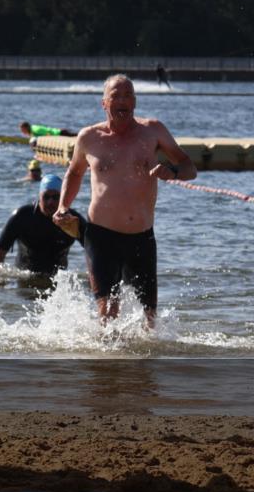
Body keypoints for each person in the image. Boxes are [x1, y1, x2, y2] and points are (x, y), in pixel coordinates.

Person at [53, 74, 196, 327]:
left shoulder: (153, 131)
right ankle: (108, 365)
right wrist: (63, 205)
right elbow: (74, 173)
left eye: (128, 95)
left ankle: (140, 365)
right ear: (104, 103)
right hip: (100, 236)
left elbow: (189, 167)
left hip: (141, 236)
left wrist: (171, 172)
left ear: (135, 102)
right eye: (116, 96)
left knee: (149, 318)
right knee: (108, 311)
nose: (123, 100)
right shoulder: (89, 137)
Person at [0, 174, 85, 278]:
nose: (50, 202)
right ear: (39, 197)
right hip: (25, 279)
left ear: (63, 198)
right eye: (46, 197)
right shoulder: (22, 216)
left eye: (55, 197)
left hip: (58, 282)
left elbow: (94, 251)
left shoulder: (73, 220)